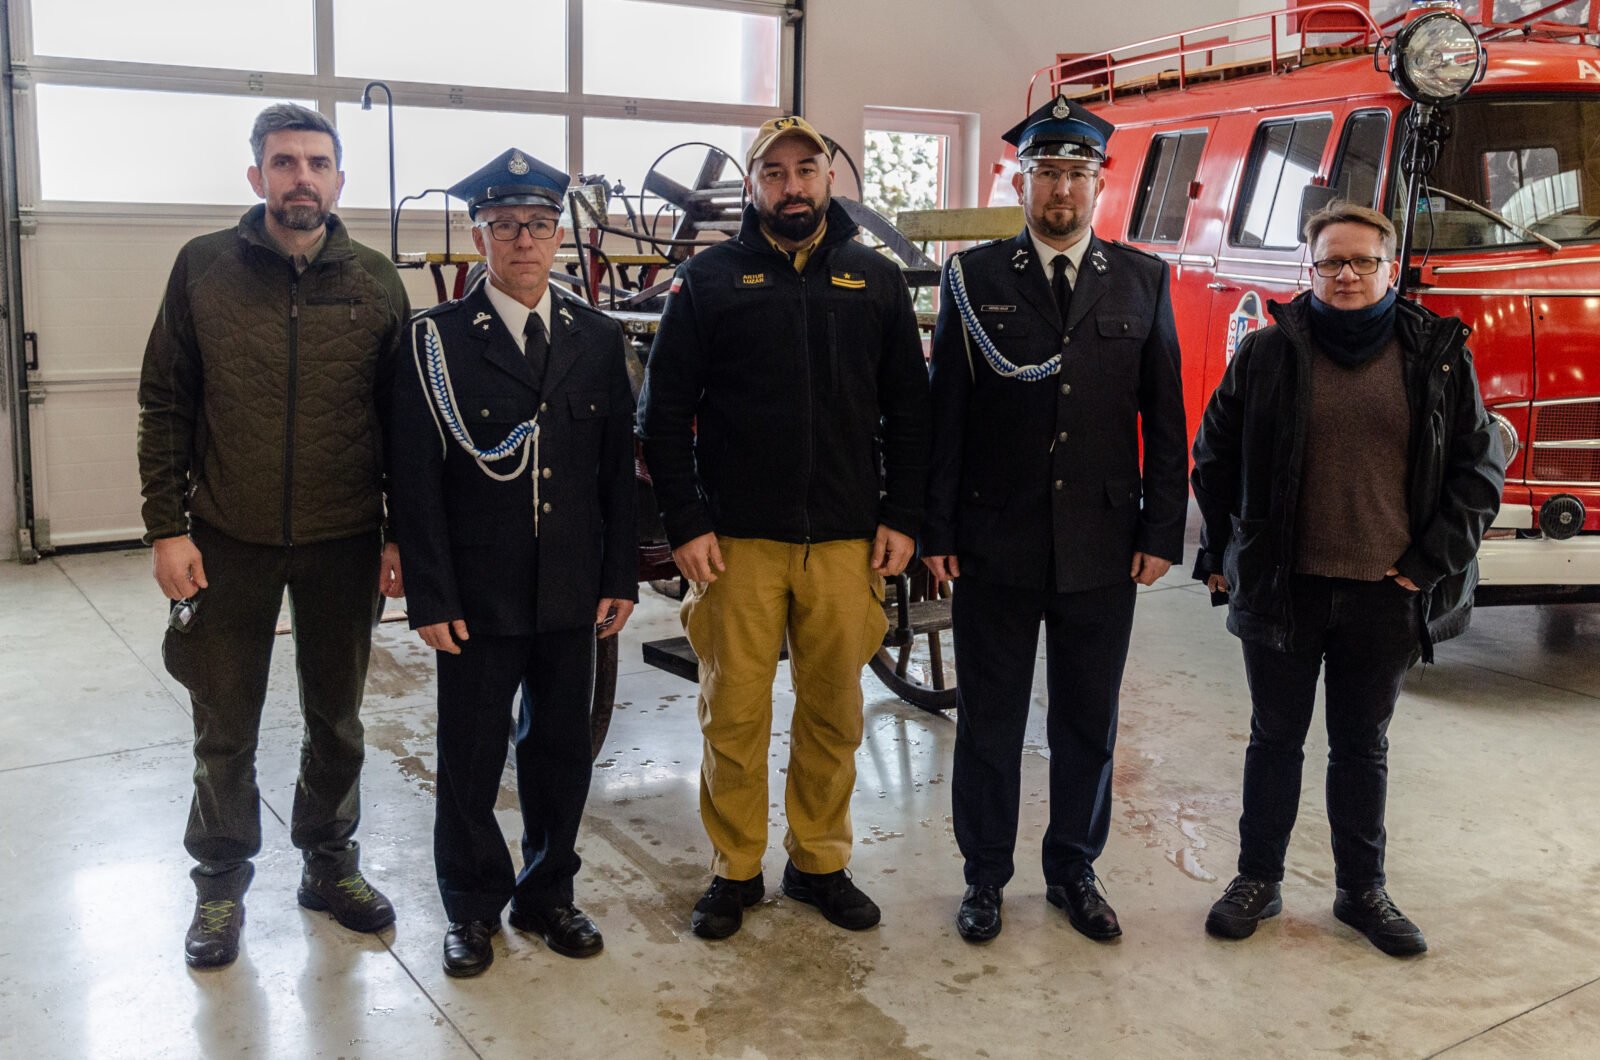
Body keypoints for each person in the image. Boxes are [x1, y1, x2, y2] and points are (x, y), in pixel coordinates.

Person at [637, 115, 932, 939]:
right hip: (737, 544)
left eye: (805, 170)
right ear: (753, 186)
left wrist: (903, 515)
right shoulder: (708, 281)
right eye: (774, 172)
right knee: (733, 715)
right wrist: (687, 521)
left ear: (829, 179)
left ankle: (819, 862)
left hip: (846, 540)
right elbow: (663, 414)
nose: (791, 186)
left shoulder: (876, 281)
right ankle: (734, 869)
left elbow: (912, 411)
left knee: (834, 713)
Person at [1191, 201, 1503, 956]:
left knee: (1362, 747)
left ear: (1390, 268)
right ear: (1312, 268)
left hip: (1384, 592)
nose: (1348, 275)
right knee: (1274, 739)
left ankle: (1362, 891)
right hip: (1284, 589)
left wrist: (1426, 565)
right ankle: (1257, 880)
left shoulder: (1435, 356)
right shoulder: (1268, 353)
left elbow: (1479, 470)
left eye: (1364, 261)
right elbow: (1214, 455)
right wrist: (1226, 555)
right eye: (1332, 261)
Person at [137, 102, 409, 969]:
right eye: (285, 162)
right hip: (228, 536)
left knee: (338, 719)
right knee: (224, 723)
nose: (302, 178)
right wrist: (166, 527)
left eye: (317, 163)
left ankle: (329, 863)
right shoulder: (204, 267)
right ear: (257, 175)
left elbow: (403, 424)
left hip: (344, 538)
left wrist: (398, 534)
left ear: (339, 180)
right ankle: (220, 883)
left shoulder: (376, 280)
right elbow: (165, 403)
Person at [921, 94, 1187, 944]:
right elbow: (946, 412)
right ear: (1020, 182)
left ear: (1100, 183)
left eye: (1077, 173)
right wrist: (937, 531)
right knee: (990, 721)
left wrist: (1162, 530)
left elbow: (1166, 414)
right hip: (993, 539)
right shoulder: (973, 277)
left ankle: (1074, 869)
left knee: (1086, 720)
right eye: (1046, 172)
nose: (1061, 189)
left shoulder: (1143, 279)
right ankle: (984, 876)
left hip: (1102, 545)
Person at [387, 148, 637, 977]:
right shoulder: (435, 341)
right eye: (504, 226)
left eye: (538, 224)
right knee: (470, 756)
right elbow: (414, 479)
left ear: (560, 235)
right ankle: (470, 906)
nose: (523, 240)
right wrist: (431, 596)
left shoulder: (596, 336)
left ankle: (548, 894)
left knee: (561, 751)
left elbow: (615, 471)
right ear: (479, 236)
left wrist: (619, 576)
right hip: (477, 592)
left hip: (571, 587)